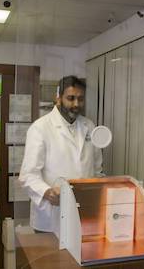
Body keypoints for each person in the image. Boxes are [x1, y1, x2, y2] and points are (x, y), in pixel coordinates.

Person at [19, 75, 103, 234]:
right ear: (58, 98)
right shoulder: (40, 128)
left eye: (80, 99)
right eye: (70, 98)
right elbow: (28, 175)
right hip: (51, 217)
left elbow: (97, 169)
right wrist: (47, 192)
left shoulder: (89, 126)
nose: (76, 104)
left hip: (83, 213)